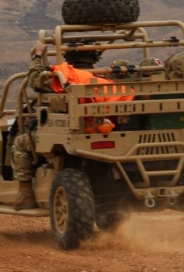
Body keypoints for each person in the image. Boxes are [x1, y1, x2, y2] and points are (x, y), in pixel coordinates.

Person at [11, 43, 112, 210]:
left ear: (69, 59)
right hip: (100, 129)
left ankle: (26, 193)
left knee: (21, 143)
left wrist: (37, 56)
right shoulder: (101, 79)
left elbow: (35, 79)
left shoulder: (62, 77)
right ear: (93, 60)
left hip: (63, 132)